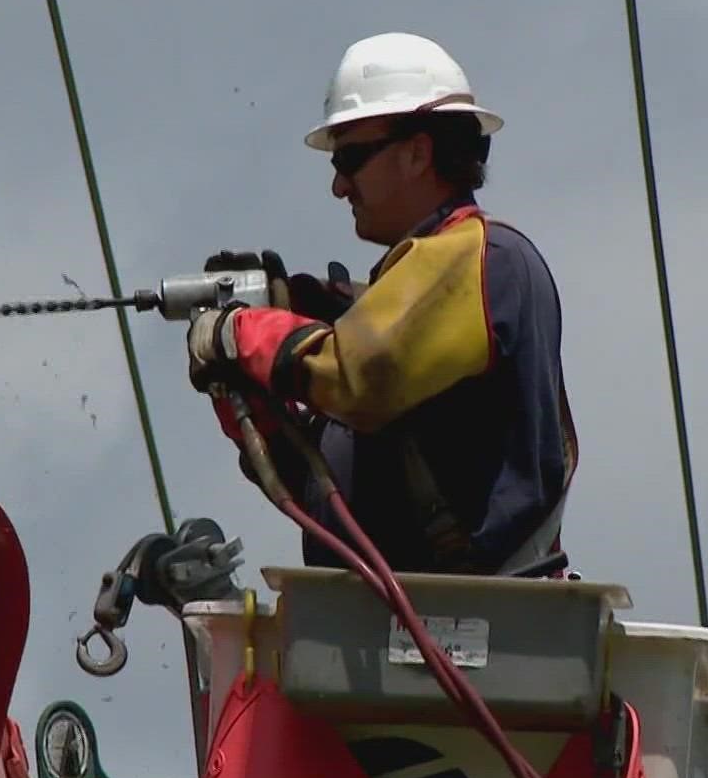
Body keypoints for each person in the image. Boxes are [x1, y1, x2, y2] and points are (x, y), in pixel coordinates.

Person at [185, 32, 577, 577]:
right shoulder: (432, 280)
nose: (340, 186)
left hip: (469, 621)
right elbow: (323, 484)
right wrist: (249, 395)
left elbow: (354, 375)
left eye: (351, 159)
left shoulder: (478, 256)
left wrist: (248, 336)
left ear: (417, 152)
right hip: (399, 616)